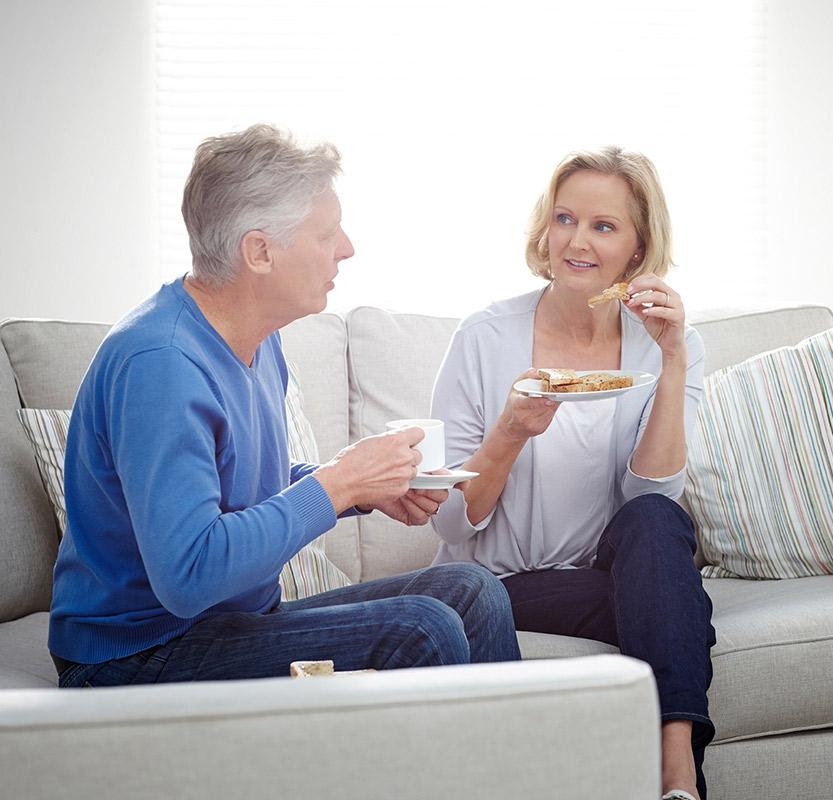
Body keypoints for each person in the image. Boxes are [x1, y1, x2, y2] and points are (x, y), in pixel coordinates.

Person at [48, 124, 520, 688]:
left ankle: (511, 773)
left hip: (229, 624)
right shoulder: (162, 363)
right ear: (260, 251)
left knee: (473, 590)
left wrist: (366, 487)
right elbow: (189, 575)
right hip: (134, 653)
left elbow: (244, 493)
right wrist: (338, 485)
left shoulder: (256, 337)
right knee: (420, 627)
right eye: (326, 234)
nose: (346, 248)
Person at [430, 147, 715, 800]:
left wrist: (672, 360)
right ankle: (684, 777)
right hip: (502, 585)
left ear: (639, 249)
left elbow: (654, 496)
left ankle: (676, 775)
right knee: (680, 607)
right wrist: (509, 433)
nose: (575, 241)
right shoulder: (485, 337)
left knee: (656, 522)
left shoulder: (671, 346)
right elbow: (450, 518)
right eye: (564, 219)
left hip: (605, 578)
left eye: (603, 226)